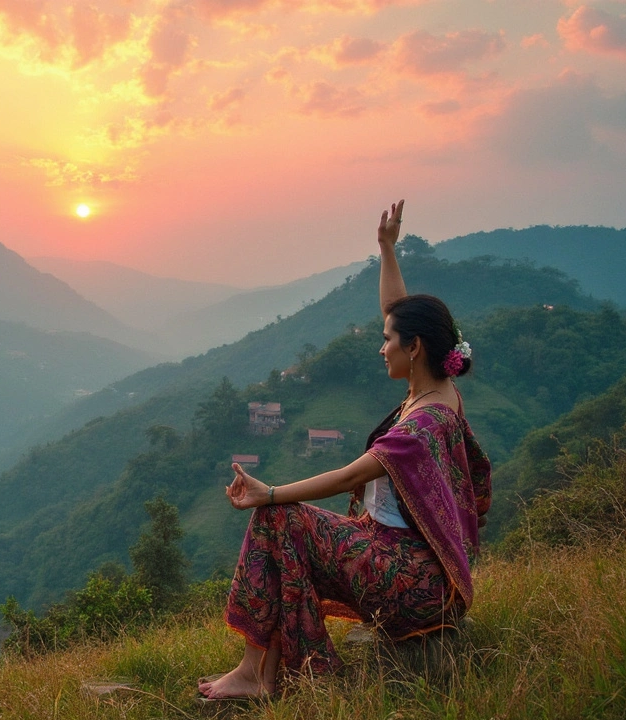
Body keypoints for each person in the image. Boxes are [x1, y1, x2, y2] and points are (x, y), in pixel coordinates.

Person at [197, 199, 492, 700]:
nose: (381, 347)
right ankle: (261, 672)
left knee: (279, 518)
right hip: (415, 566)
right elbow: (396, 313)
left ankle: (256, 674)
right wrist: (386, 249)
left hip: (412, 580)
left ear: (414, 348)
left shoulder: (419, 428)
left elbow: (347, 477)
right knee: (282, 523)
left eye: (387, 341)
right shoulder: (439, 389)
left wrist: (269, 493)